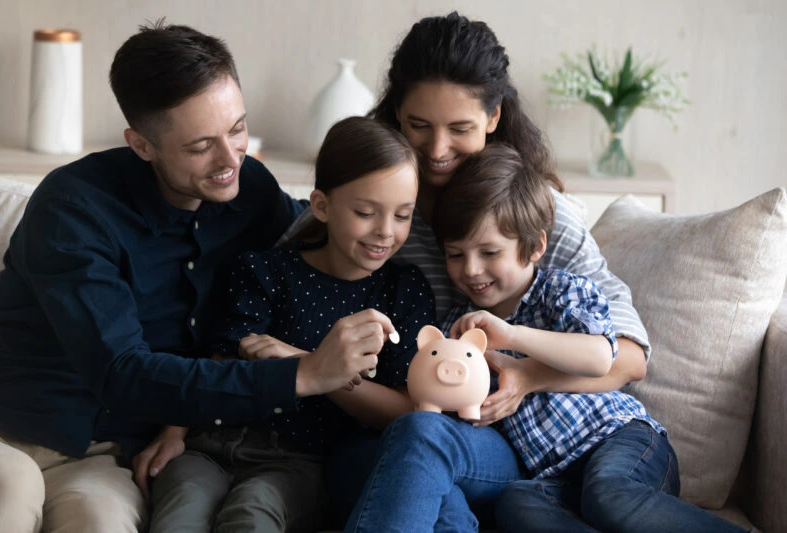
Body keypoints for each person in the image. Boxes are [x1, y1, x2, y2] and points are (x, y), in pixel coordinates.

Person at [0, 23, 384, 533]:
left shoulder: (249, 190)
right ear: (142, 144)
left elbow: (331, 227)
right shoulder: (72, 209)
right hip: (4, 429)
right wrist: (303, 375)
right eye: (200, 146)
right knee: (9, 497)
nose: (230, 158)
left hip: (104, 457)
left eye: (237, 128)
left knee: (101, 524)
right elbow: (122, 373)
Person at [328, 11, 652, 528]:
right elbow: (295, 252)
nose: (437, 151)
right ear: (395, 116)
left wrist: (526, 377)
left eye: (460, 129)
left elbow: (628, 356)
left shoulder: (535, 215)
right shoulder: (370, 199)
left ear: (494, 117)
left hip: (489, 438)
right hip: (396, 424)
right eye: (418, 126)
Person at [133, 116, 435, 533]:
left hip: (297, 461)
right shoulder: (265, 271)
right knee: (180, 516)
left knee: (251, 519)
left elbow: (405, 412)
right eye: (366, 212)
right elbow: (220, 358)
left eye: (403, 216)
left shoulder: (403, 291)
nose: (385, 231)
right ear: (322, 206)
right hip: (209, 444)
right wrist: (173, 431)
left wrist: (310, 363)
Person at [431, 145, 742, 533]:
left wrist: (512, 334)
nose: (471, 269)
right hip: (553, 478)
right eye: (455, 255)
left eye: (489, 252)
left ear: (535, 247)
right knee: (514, 503)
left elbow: (599, 357)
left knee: (608, 494)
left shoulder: (561, 292)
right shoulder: (457, 327)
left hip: (620, 442)